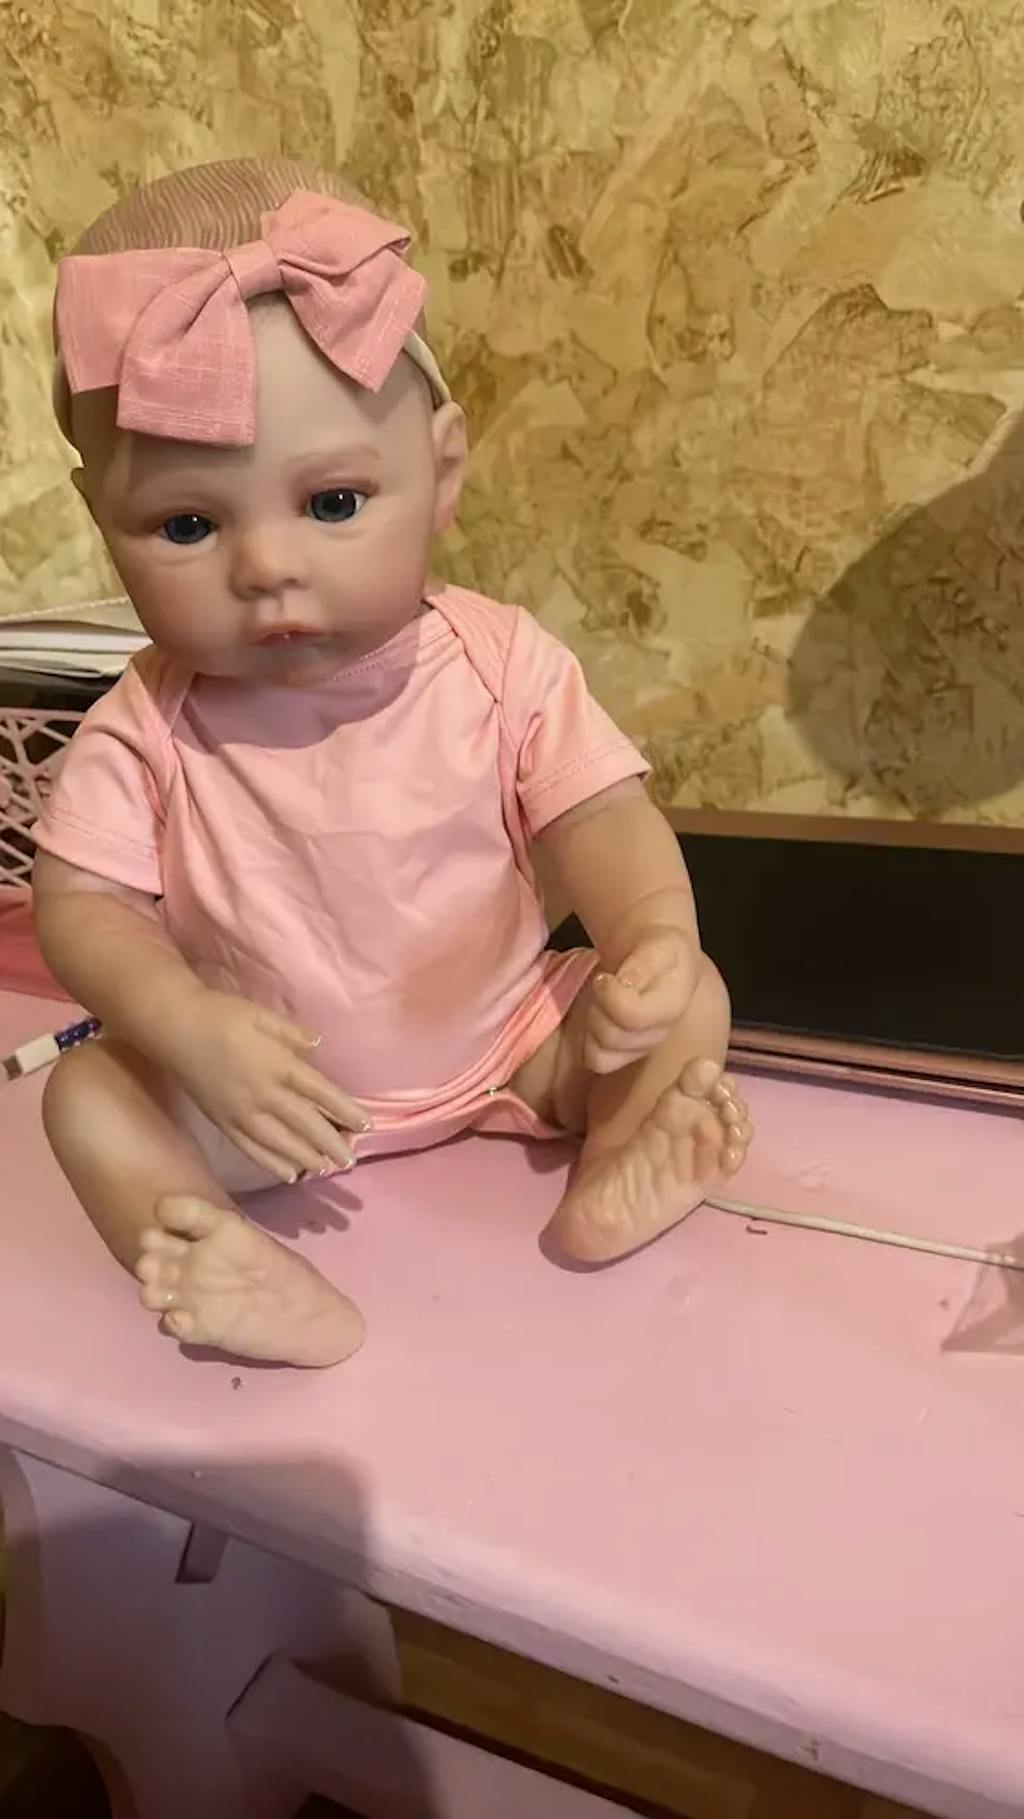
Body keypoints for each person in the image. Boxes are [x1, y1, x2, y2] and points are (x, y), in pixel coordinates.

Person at [32, 157, 751, 1367]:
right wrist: (186, 1027)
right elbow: (85, 908)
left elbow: (598, 818)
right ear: (102, 519)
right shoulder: (146, 720)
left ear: (441, 473)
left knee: (691, 999)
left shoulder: (500, 662)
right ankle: (224, 1252)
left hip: (517, 1044)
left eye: (331, 503)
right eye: (188, 524)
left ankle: (625, 1154)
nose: (266, 565)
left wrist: (651, 937)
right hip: (266, 1104)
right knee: (87, 1097)